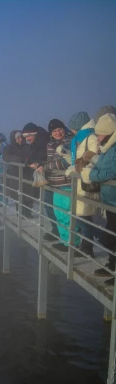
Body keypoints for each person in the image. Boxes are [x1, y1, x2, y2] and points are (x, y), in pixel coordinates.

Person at [81, 113, 116, 279]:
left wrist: (91, 176)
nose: (97, 136)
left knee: (110, 237)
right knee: (111, 235)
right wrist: (93, 162)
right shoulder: (107, 147)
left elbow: (113, 171)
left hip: (115, 201)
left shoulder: (114, 148)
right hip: (110, 200)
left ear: (108, 132)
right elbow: (105, 166)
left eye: (100, 133)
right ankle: (112, 265)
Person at [34, 119, 76, 251]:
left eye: (60, 129)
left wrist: (46, 167)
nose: (58, 133)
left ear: (65, 129)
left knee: (68, 215)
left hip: (67, 182)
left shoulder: (70, 141)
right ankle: (65, 242)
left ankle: (72, 244)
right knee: (59, 214)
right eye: (54, 131)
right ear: (51, 133)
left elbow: (66, 161)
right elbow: (51, 160)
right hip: (54, 183)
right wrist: (42, 164)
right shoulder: (50, 143)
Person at [65, 111, 99, 257]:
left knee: (85, 217)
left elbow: (93, 159)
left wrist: (75, 168)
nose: (71, 130)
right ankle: (85, 246)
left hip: (86, 183)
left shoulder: (90, 138)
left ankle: (88, 248)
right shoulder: (81, 138)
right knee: (82, 216)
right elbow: (78, 160)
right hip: (79, 183)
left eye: (72, 127)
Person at [23, 123, 49, 230]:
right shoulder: (37, 141)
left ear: (34, 134)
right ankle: (57, 232)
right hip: (42, 174)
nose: (27, 139)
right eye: (26, 137)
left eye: (29, 136)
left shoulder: (43, 141)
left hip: (49, 175)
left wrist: (38, 163)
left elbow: (44, 155)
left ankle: (60, 234)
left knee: (49, 203)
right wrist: (29, 162)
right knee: (47, 202)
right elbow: (34, 155)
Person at [3, 130, 32, 216]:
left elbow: (33, 156)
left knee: (28, 194)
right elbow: (6, 157)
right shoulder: (9, 148)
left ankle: (28, 213)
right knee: (17, 194)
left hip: (27, 174)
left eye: (22, 137)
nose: (20, 139)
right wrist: (21, 162)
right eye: (18, 138)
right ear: (13, 139)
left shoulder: (28, 147)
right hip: (16, 174)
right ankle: (19, 212)